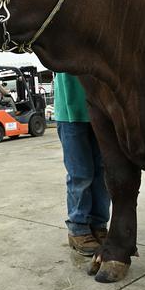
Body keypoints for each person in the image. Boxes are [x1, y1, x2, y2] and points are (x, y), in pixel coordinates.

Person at [54, 73, 110, 256]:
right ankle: (78, 228)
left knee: (102, 172)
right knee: (80, 174)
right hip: (71, 113)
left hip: (101, 110)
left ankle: (98, 224)